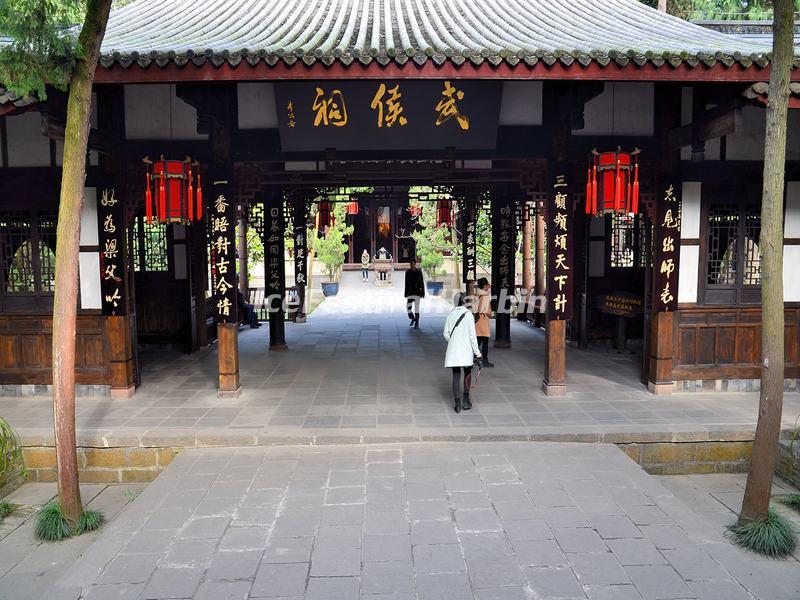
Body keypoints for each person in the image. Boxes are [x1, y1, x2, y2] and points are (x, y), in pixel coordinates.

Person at [444, 292, 481, 413]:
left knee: (456, 376)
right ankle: (466, 399)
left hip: (454, 351)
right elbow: (472, 336)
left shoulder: (451, 314)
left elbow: (445, 333)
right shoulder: (468, 315)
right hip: (466, 350)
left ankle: (457, 403)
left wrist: (453, 342)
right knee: (468, 373)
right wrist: (477, 352)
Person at [473, 277, 493, 367]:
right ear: (485, 285)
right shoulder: (484, 295)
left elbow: (474, 308)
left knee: (477, 341)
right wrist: (490, 314)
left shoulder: (476, 294)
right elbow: (486, 311)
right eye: (488, 284)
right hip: (483, 320)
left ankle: (475, 359)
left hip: (477, 320)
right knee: (485, 341)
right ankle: (485, 361)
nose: (489, 286)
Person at [404, 258, 425, 329]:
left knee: (416, 309)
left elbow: (422, 283)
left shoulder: (419, 272)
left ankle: (417, 322)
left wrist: (422, 293)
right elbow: (406, 284)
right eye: (411, 264)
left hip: (417, 292)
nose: (412, 265)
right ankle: (413, 318)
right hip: (410, 292)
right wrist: (406, 293)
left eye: (413, 264)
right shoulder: (407, 272)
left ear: (415, 264)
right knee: (408, 307)